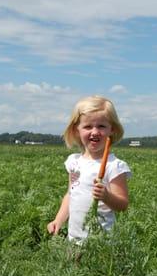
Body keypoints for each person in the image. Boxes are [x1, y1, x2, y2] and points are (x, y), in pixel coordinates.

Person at [47, 95, 131, 242]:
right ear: (76, 130)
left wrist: (106, 196)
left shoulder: (114, 166)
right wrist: (58, 220)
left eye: (101, 126)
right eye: (87, 126)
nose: (95, 132)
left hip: (101, 242)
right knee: (72, 265)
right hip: (74, 239)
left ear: (112, 129)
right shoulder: (74, 162)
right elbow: (70, 195)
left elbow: (123, 204)